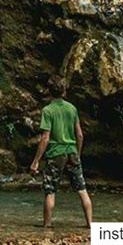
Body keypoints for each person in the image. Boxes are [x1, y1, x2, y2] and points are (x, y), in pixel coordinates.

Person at [29, 75, 93, 229]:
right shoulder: (72, 108)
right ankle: (90, 225)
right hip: (71, 151)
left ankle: (47, 225)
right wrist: (77, 152)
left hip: (55, 154)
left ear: (49, 91)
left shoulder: (48, 110)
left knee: (50, 191)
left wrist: (36, 160)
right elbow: (79, 134)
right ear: (65, 90)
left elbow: (45, 138)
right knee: (82, 190)